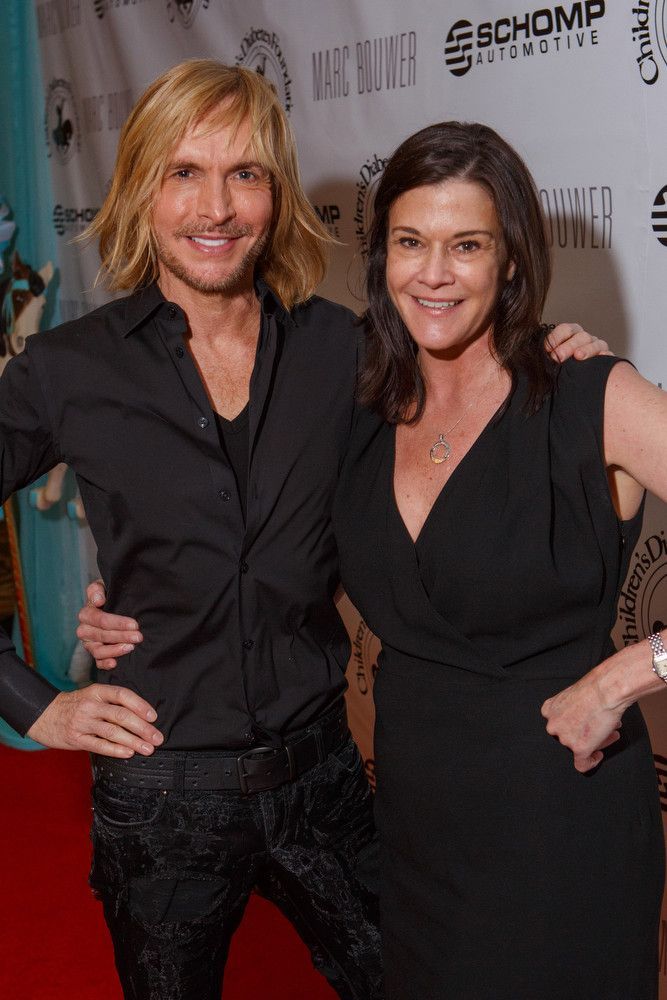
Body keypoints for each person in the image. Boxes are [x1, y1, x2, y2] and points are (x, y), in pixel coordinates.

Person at [32, 61, 604, 998]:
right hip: (161, 798)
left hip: (326, 778)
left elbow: (460, 412)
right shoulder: (66, 371)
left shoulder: (348, 348)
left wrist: (550, 352)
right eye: (184, 172)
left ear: (277, 193)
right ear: (139, 187)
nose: (215, 208)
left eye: (245, 174)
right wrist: (37, 703)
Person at [332, 122, 665, 999]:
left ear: (511, 260)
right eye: (410, 242)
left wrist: (631, 671)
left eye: (466, 245)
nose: (432, 273)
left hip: (561, 826)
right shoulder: (365, 406)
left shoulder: (590, 398)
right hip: (413, 831)